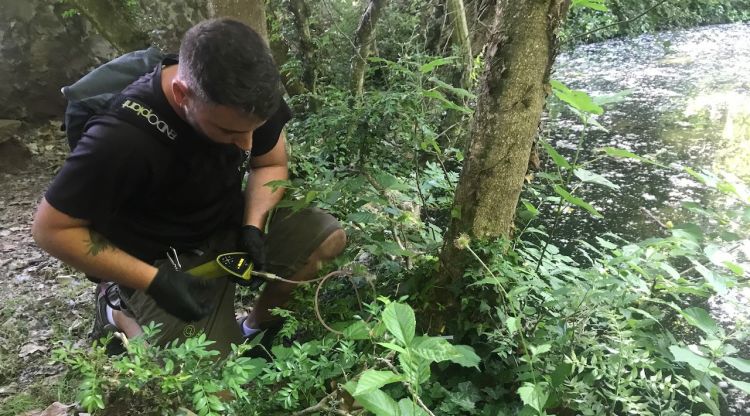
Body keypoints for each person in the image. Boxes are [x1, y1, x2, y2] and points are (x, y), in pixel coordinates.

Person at [32, 18, 346, 356]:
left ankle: (252, 330)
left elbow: (269, 163)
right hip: (158, 259)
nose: (244, 143)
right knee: (216, 392)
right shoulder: (120, 138)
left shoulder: (247, 103)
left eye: (252, 130)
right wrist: (156, 282)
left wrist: (252, 227)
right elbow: (50, 230)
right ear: (183, 94)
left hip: (222, 227)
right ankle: (117, 309)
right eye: (228, 132)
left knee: (325, 236)